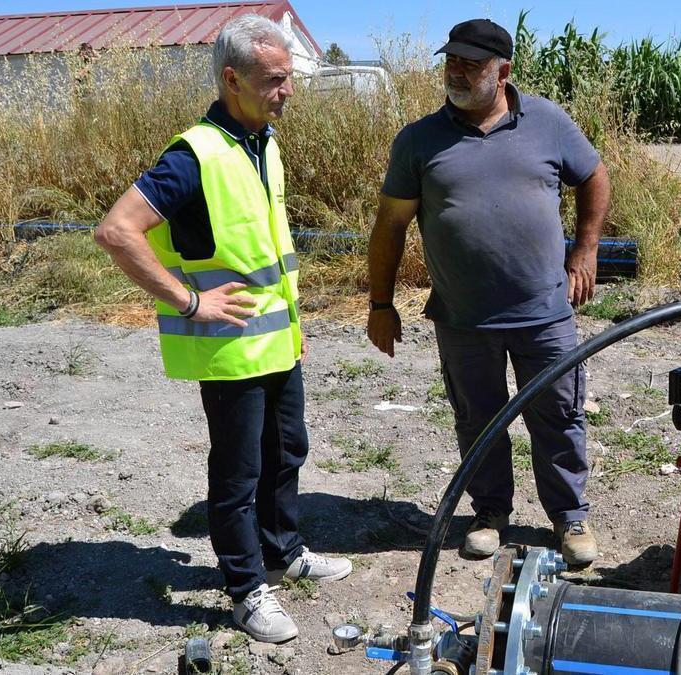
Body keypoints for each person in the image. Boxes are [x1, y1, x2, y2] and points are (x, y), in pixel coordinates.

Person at [94, 15, 351, 643]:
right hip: (231, 353)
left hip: (278, 343)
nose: (286, 90)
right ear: (232, 79)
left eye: (289, 79)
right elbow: (116, 231)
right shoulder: (194, 155)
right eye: (274, 80)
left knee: (287, 452)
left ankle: (284, 551)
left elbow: (267, 252)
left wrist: (294, 324)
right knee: (237, 475)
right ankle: (245, 590)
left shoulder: (262, 141)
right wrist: (189, 302)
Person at [367, 18, 612, 566]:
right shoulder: (419, 140)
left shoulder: (546, 121)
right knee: (478, 418)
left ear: (503, 71)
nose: (456, 71)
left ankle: (570, 517)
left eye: (471, 63)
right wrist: (380, 305)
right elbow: (389, 226)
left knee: (558, 413)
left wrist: (586, 248)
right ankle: (490, 513)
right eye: (451, 60)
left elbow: (594, 175)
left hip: (545, 311)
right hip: (463, 317)